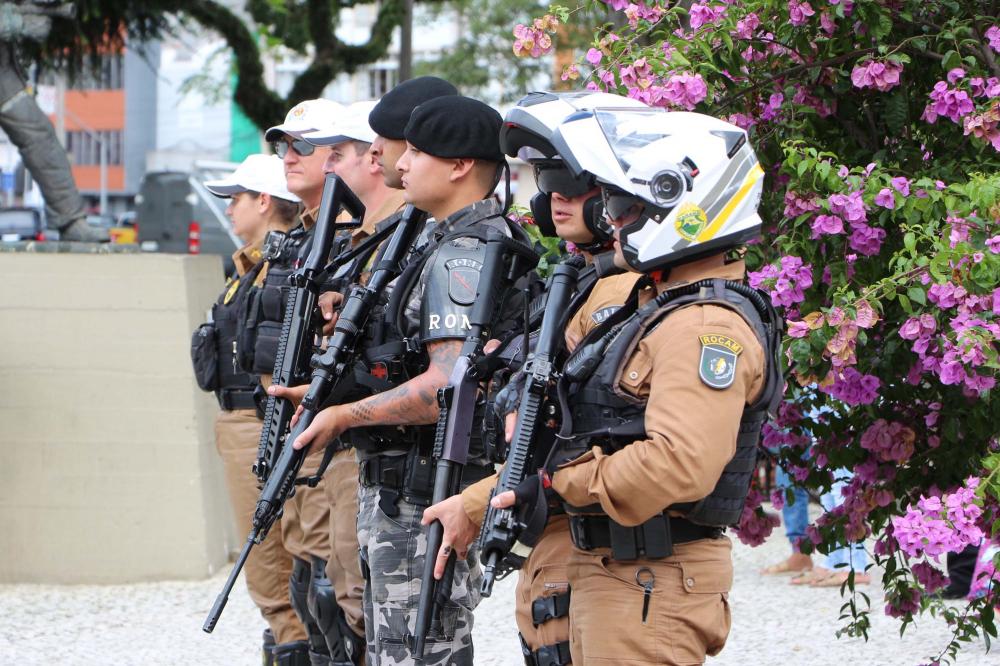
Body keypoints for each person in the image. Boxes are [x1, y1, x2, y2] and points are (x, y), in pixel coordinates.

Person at [489, 108, 782, 664]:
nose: (613, 222)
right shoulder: (656, 306)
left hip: (650, 582)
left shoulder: (703, 326)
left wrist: (559, 482)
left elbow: (678, 464)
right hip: (623, 574)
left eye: (626, 207)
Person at [277, 93, 528, 666]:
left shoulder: (464, 250)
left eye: (416, 152)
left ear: (461, 165)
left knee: (419, 650)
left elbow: (447, 388)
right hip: (404, 485)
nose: (400, 163)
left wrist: (342, 415)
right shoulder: (439, 240)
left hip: (424, 492)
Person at [421, 91, 647, 666]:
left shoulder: (626, 293)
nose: (555, 200)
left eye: (574, 185)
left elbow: (571, 431)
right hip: (560, 557)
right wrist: (473, 504)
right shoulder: (582, 281)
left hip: (602, 557)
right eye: (548, 186)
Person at [239, 97, 350, 666]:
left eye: (302, 145)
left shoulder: (353, 232)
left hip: (338, 432)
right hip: (294, 424)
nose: (288, 155)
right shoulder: (307, 234)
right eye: (284, 145)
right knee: (306, 576)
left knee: (337, 591)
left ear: (342, 156)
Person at [193, 154, 304, 664]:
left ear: (264, 201)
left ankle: (292, 645)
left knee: (271, 566)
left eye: (236, 199)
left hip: (260, 425)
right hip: (241, 424)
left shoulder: (281, 266)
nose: (230, 210)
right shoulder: (248, 268)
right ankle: (284, 641)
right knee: (271, 565)